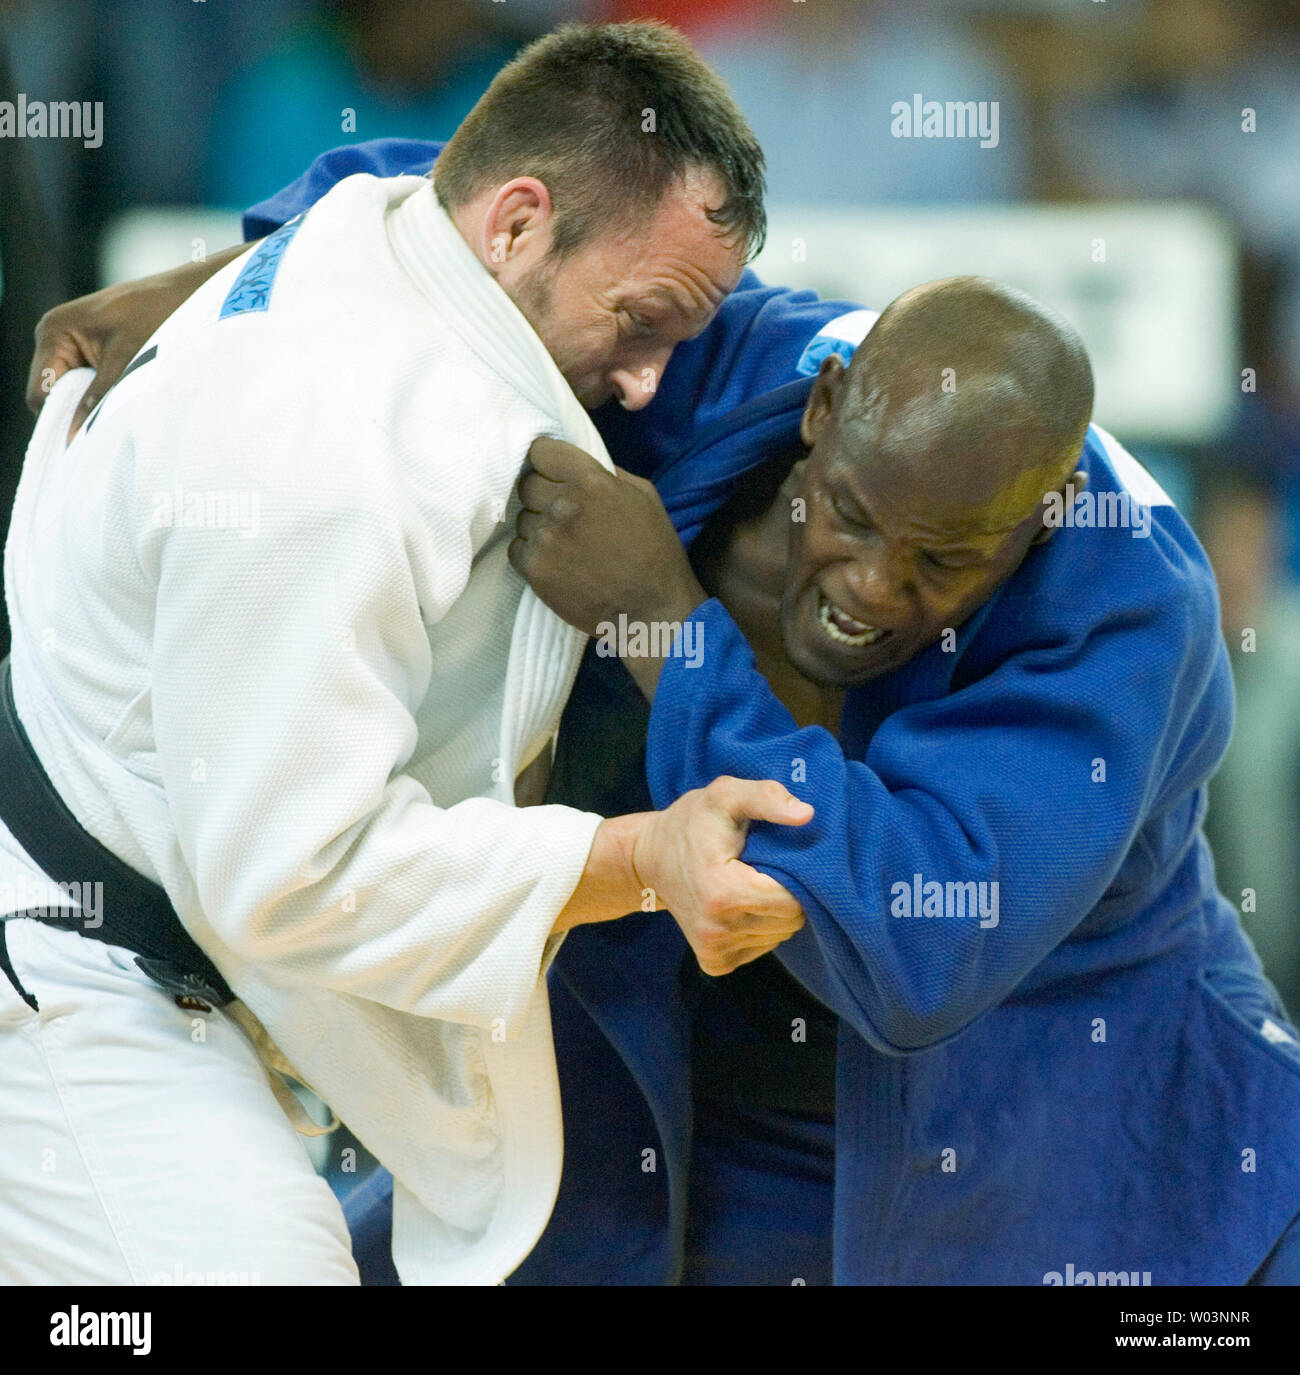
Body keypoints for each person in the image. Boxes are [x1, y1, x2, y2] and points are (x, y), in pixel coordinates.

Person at [0, 21, 811, 1287]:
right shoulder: (327, 449)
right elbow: (292, 873)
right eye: (642, 320)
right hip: (76, 963)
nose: (649, 385)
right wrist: (641, 857)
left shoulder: (382, 233)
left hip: (153, 942)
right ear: (516, 224)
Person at [509, 277, 1300, 1286]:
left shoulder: (1129, 608)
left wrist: (668, 631)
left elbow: (914, 945)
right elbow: (443, 210)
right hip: (689, 1116)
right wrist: (258, 290)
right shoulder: (709, 364)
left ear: (1042, 521)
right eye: (850, 515)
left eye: (944, 559)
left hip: (1082, 1129)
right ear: (825, 407)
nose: (874, 585)